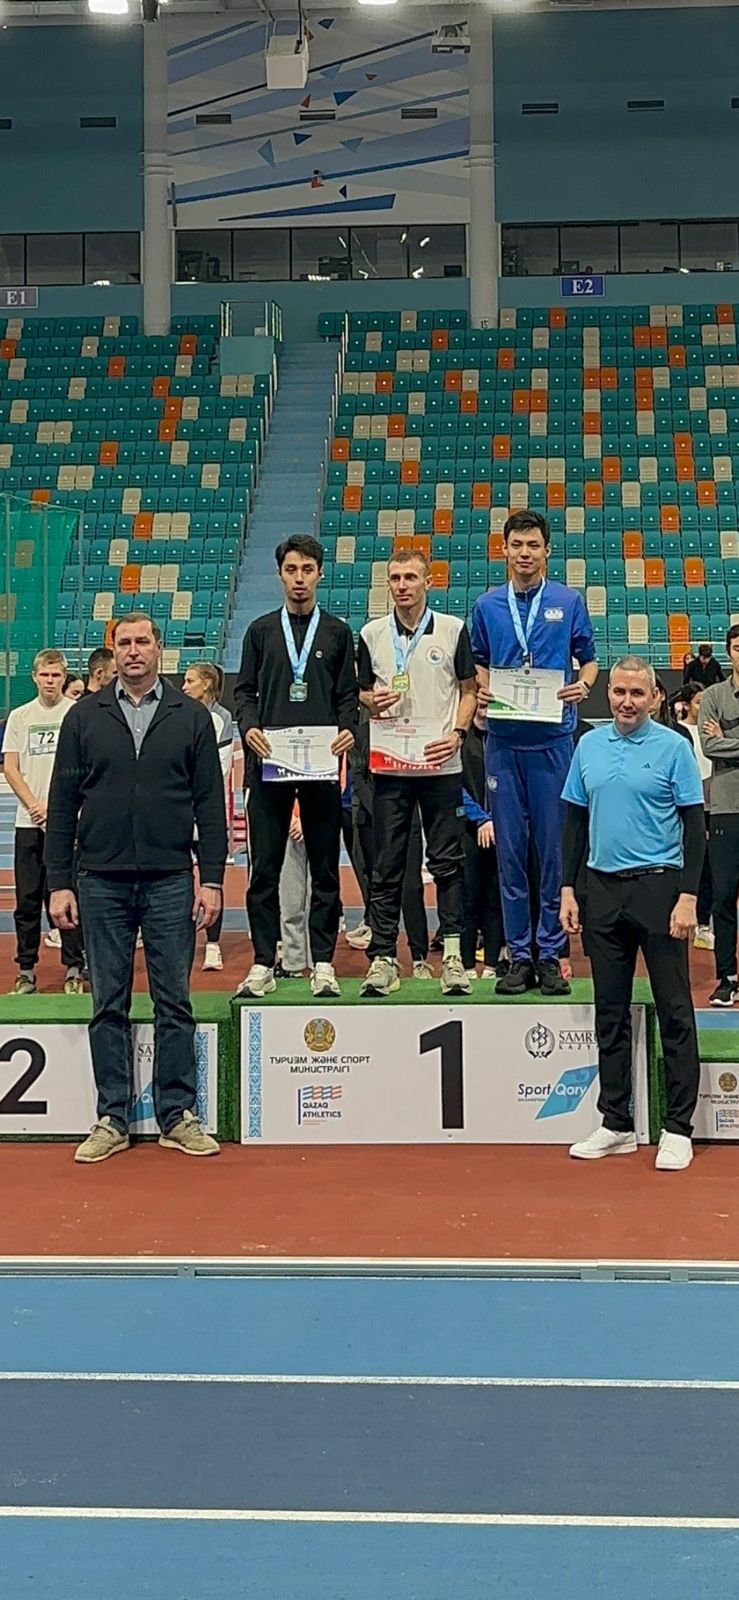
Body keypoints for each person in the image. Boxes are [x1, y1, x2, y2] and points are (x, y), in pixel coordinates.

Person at [45, 613, 227, 1163]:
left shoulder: (191, 717)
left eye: (142, 641)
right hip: (100, 880)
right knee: (108, 1003)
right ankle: (113, 1117)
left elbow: (210, 805)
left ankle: (177, 1114)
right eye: (123, 642)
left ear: (158, 648)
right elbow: (61, 805)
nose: (132, 651)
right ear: (113, 651)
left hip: (171, 879)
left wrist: (211, 879)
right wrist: (59, 883)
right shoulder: (84, 716)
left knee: (175, 1001)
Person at [561, 657, 704, 1172]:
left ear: (655, 698)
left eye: (637, 694)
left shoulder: (674, 747)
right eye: (619, 692)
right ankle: (616, 1122)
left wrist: (688, 896)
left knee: (674, 1009)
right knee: (610, 1012)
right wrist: (568, 888)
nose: (626, 701)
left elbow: (694, 826)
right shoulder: (588, 746)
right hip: (601, 890)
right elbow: (574, 821)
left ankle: (678, 1128)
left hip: (659, 890)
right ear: (609, 695)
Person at [470, 509, 598, 997]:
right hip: (504, 744)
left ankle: (550, 954)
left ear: (547, 551)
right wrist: (482, 689)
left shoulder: (567, 601)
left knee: (551, 852)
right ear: (503, 549)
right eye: (517, 545)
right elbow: (478, 662)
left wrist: (584, 686)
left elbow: (588, 660)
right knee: (510, 854)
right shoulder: (487, 605)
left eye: (533, 545)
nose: (525, 553)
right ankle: (518, 955)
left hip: (552, 743)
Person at [233, 535, 358, 1000]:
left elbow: (348, 694)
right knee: (264, 870)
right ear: (280, 574)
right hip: (270, 763)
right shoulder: (261, 631)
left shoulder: (338, 633)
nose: (299, 578)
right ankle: (263, 962)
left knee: (325, 869)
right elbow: (244, 692)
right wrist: (248, 727)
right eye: (291, 570)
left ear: (320, 574)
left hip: (322, 765)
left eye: (307, 569)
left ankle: (322, 962)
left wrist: (349, 729)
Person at [357, 548, 476, 997]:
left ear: (429, 581)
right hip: (391, 766)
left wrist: (459, 733)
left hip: (440, 763)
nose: (402, 585)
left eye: (411, 577)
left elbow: (469, 690)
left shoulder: (452, 629)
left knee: (447, 862)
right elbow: (360, 691)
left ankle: (453, 957)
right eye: (395, 578)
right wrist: (371, 701)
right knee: (387, 864)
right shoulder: (371, 634)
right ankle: (383, 958)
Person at [3, 648, 85, 996]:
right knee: (27, 900)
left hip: (66, 825)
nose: (50, 681)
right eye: (45, 675)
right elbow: (10, 767)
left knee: (68, 897)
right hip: (28, 822)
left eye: (56, 675)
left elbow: (84, 766)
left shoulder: (76, 714)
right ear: (34, 677)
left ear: (64, 678)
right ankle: (25, 970)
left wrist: (56, 807)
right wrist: (35, 805)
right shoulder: (20, 717)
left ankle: (74, 968)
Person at [349, 720, 431, 976]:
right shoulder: (362, 732)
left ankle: (419, 958)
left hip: (408, 817)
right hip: (371, 821)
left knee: (411, 887)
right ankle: (384, 956)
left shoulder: (412, 725)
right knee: (379, 887)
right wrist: (382, 814)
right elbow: (358, 777)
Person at [182, 661, 235, 972]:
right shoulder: (177, 713)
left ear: (206, 684)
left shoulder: (220, 718)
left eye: (190, 681)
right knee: (177, 880)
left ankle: (213, 945)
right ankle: (180, 939)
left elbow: (219, 769)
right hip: (176, 814)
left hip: (206, 816)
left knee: (211, 879)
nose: (184, 686)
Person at [698, 624, 739, 1005]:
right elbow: (709, 746)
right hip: (726, 807)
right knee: (723, 895)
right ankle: (727, 976)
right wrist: (720, 740)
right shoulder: (713, 695)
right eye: (738, 647)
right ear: (729, 651)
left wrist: (728, 738)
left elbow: (721, 742)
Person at [460, 707, 505, 980]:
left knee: (494, 899)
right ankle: (465, 966)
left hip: (501, 830)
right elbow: (453, 783)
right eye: (480, 704)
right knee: (468, 899)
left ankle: (492, 964)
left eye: (490, 706)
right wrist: (480, 818)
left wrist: (497, 820)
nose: (485, 712)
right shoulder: (460, 740)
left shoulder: (505, 740)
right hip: (467, 830)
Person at [682, 683, 713, 950]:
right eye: (698, 702)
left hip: (712, 802)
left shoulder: (712, 731)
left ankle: (703, 925)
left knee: (709, 870)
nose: (702, 708)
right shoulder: (681, 734)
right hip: (691, 803)